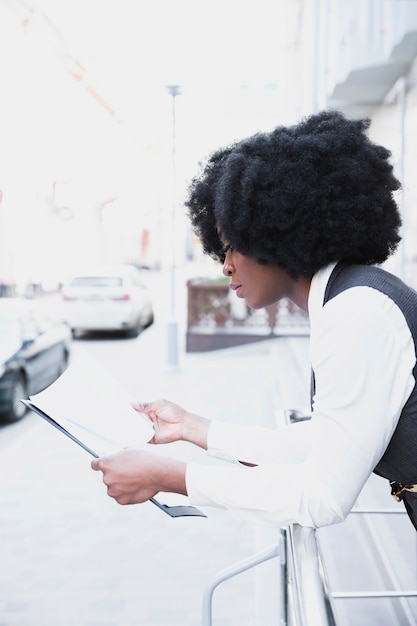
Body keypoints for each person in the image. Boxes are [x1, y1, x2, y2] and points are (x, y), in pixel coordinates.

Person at [91, 110, 417, 530]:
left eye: (230, 246)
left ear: (278, 232)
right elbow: (322, 442)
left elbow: (319, 498)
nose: (225, 267)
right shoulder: (356, 296)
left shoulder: (354, 313)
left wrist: (166, 476)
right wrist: (189, 427)